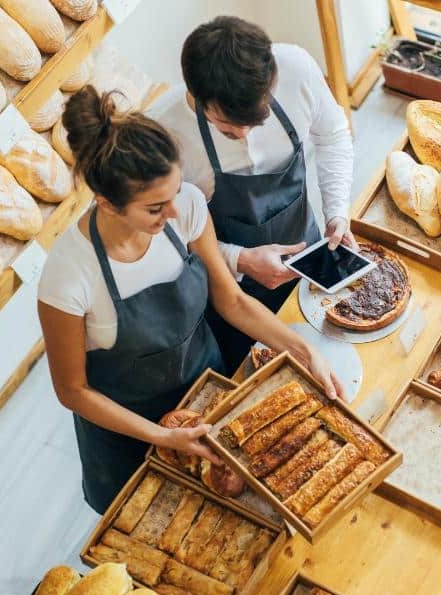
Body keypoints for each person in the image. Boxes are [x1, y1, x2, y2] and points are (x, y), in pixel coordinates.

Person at [37, 86, 341, 514]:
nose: (175, 213)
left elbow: (231, 301)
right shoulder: (68, 277)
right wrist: (162, 437)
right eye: (155, 208)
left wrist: (303, 350)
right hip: (129, 437)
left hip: (207, 397)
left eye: (175, 193)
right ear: (106, 202)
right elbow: (73, 391)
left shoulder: (189, 208)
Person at [149, 16, 356, 370]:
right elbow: (164, 237)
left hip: (307, 261)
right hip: (228, 293)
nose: (243, 133)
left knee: (332, 357)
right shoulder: (162, 134)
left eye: (253, 121)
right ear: (196, 95)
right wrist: (238, 259)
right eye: (228, 124)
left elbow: (333, 135)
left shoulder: (296, 69)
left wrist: (337, 210)